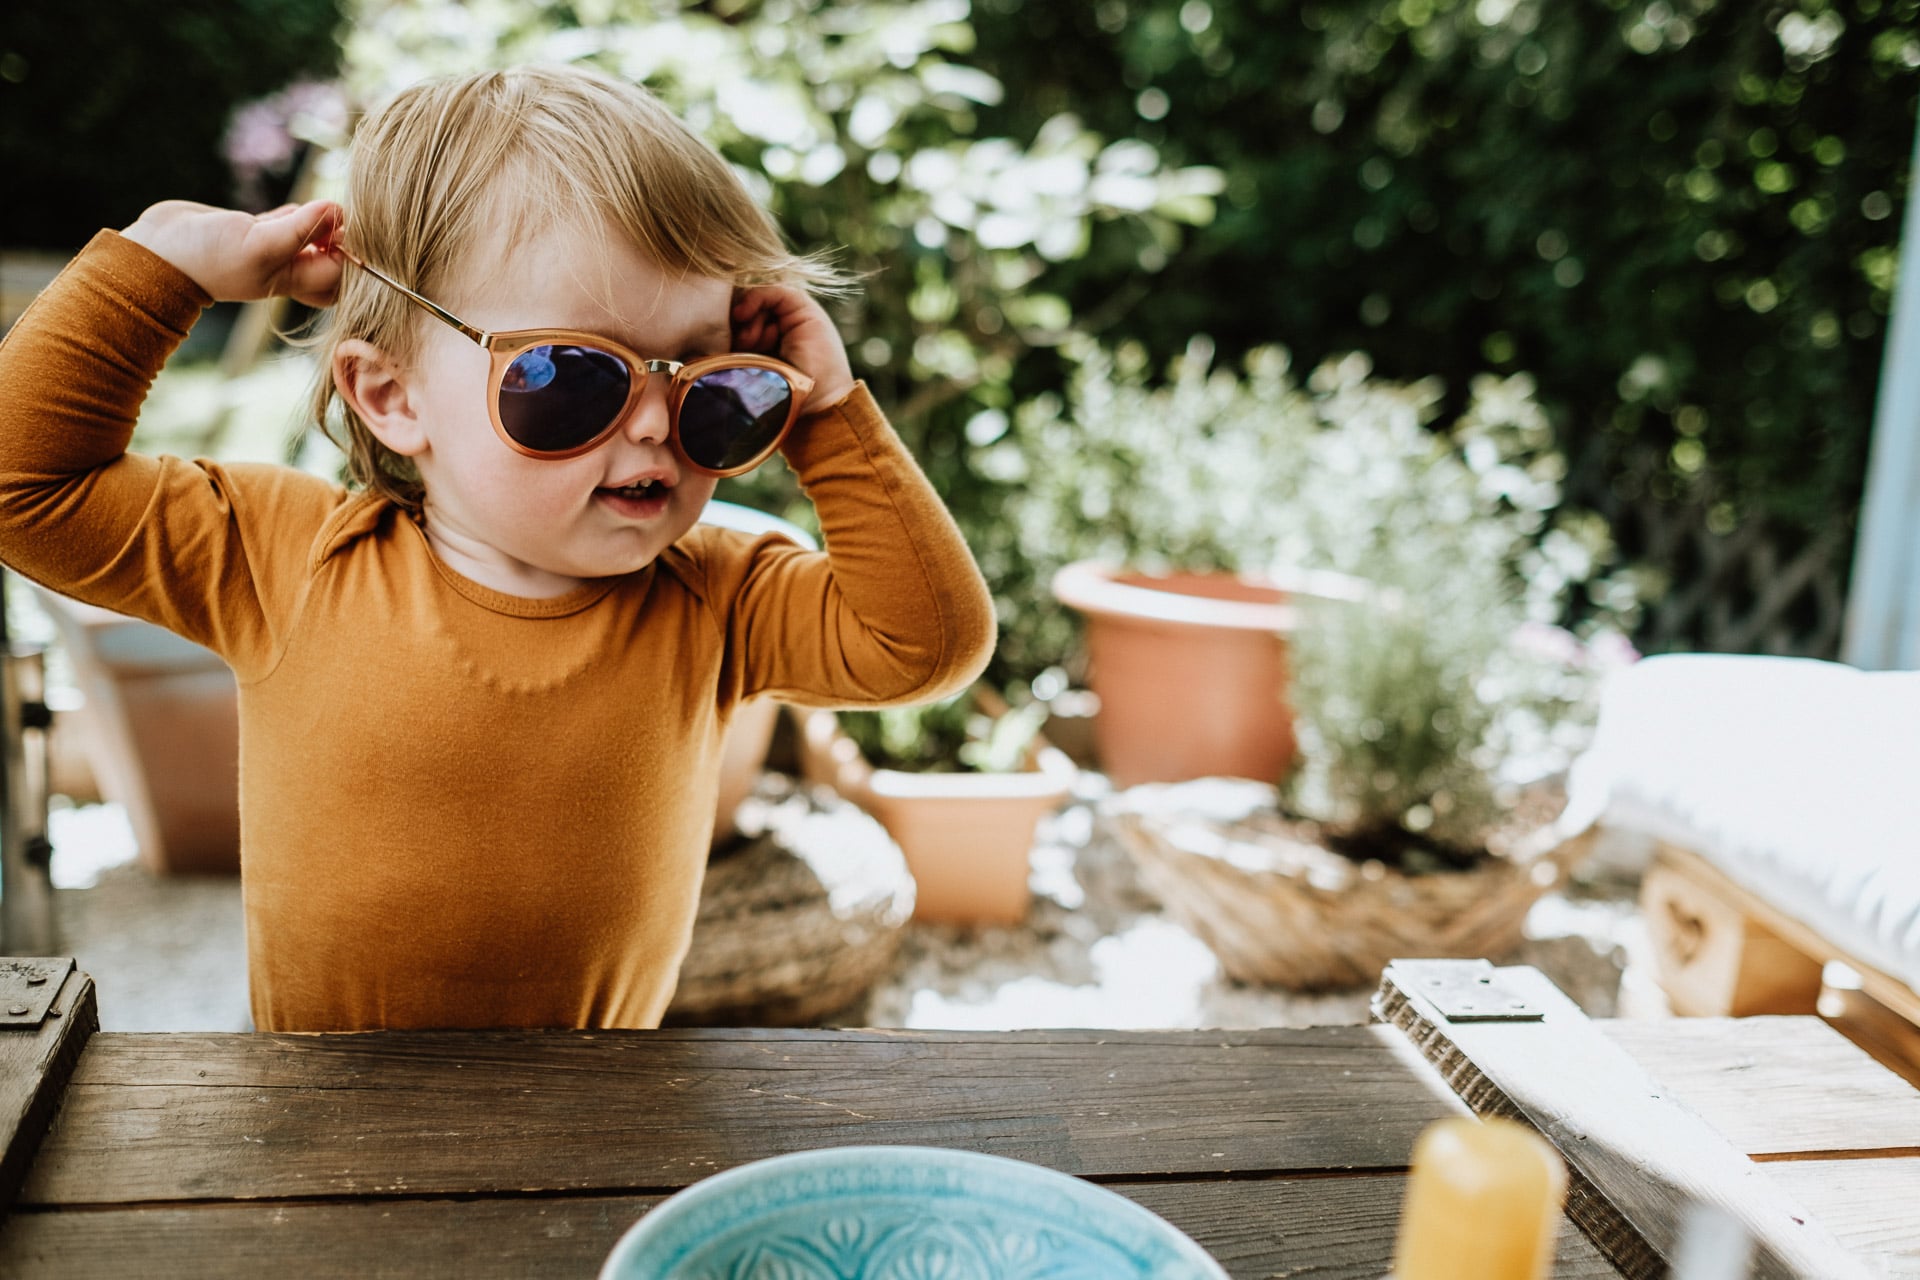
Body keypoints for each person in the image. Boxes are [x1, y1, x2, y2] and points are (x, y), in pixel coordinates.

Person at [0, 65, 995, 1032]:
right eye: (572, 377)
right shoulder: (287, 558)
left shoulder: (717, 599)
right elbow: (24, 488)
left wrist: (823, 411)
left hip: (595, 1126)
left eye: (711, 377)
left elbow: (926, 643)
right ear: (393, 396)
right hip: (324, 1129)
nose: (655, 423)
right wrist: (157, 265)